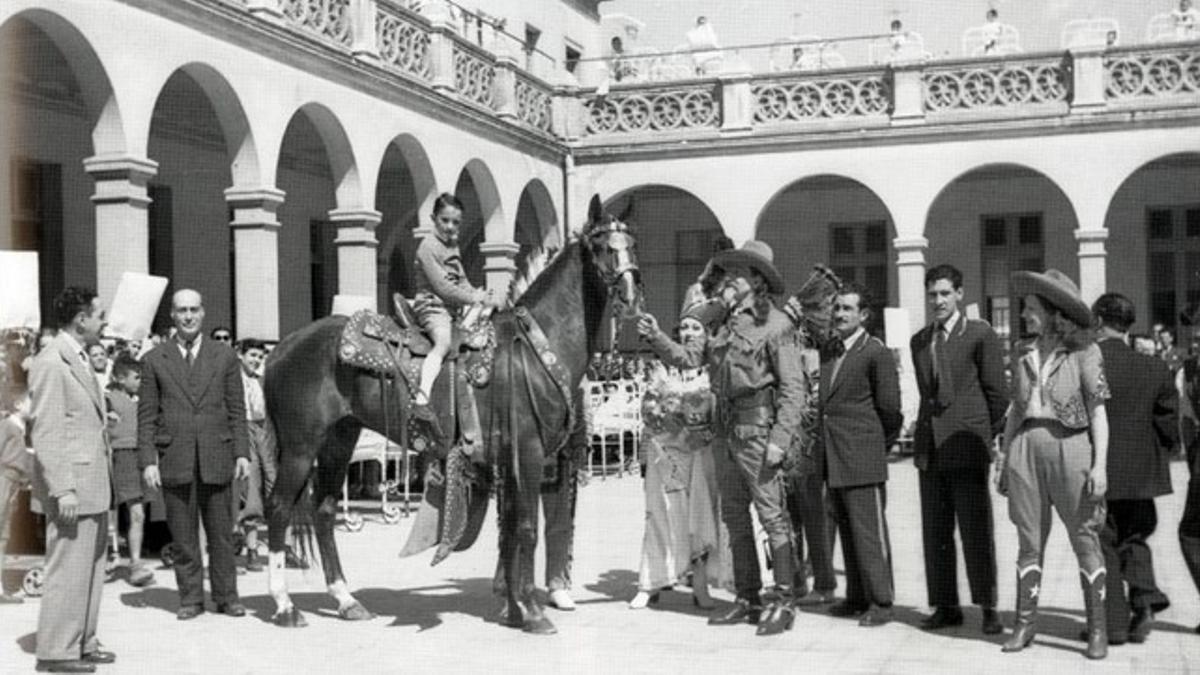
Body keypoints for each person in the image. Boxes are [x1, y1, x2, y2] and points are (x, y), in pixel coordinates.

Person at [638, 240, 808, 636]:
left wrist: (780, 439)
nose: (729, 278)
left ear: (757, 281)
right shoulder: (722, 324)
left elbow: (793, 389)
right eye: (729, 272)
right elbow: (689, 359)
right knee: (733, 518)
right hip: (726, 431)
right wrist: (657, 336)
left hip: (759, 430)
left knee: (772, 516)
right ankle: (747, 598)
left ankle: (783, 600)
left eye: (739, 272)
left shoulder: (776, 323)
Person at [997, 269, 1109, 660]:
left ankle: (1097, 629)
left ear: (1053, 312)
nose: (1025, 315)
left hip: (1071, 445)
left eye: (1031, 308)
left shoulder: (1085, 352)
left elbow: (1098, 412)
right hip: (1026, 444)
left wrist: (1100, 466)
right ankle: (1025, 624)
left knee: (1084, 536)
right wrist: (1005, 455)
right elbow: (1015, 409)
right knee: (1028, 540)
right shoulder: (1022, 351)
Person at [138, 289, 250, 621]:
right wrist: (147, 460)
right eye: (181, 310)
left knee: (222, 536)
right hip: (175, 457)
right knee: (184, 537)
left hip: (217, 454)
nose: (188, 316)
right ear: (172, 315)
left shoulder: (225, 356)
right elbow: (146, 416)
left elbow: (237, 410)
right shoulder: (154, 360)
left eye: (193, 310)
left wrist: (242, 453)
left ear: (203, 313)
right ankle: (190, 598)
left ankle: (227, 596)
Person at [910, 265, 1006, 634]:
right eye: (933, 294)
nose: (938, 301)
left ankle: (988, 605)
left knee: (975, 530)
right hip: (931, 449)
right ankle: (946, 605)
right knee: (935, 532)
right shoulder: (920, 340)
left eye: (945, 294)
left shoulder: (979, 334)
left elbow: (998, 394)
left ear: (960, 294)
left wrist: (981, 433)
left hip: (966, 447)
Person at [28, 286, 115, 673]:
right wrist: (62, 487)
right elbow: (46, 431)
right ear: (82, 320)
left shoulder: (77, 358)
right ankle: (56, 650)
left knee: (92, 570)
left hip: (93, 483)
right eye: (99, 314)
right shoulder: (51, 361)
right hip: (73, 487)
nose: (105, 320)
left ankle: (83, 641)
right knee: (67, 570)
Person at [1090, 293, 1175, 645]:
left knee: (1105, 542)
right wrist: (1156, 454)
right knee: (1134, 537)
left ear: (1098, 321)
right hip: (1141, 473)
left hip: (1100, 469)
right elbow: (1168, 422)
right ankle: (1144, 601)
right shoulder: (1154, 367)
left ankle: (1114, 625)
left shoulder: (1089, 363)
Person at [820, 282, 903, 627]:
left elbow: (890, 409)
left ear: (864, 315)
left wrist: (873, 447)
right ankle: (856, 596)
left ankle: (881, 601)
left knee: (868, 533)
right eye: (837, 308)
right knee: (848, 529)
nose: (839, 314)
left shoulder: (875, 353)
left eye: (847, 309)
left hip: (862, 456)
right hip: (833, 455)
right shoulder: (830, 350)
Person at [630, 303, 720, 610]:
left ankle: (700, 585)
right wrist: (666, 418)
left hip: (700, 454)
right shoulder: (663, 366)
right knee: (659, 515)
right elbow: (649, 407)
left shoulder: (714, 367)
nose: (689, 333)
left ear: (709, 334)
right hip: (664, 452)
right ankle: (650, 582)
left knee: (699, 519)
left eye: (696, 328)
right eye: (684, 328)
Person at [411, 193, 503, 424]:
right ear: (434, 218)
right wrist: (474, 298)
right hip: (432, 307)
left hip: (453, 310)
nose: (450, 226)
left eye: (455, 222)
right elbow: (443, 287)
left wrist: (480, 296)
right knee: (442, 343)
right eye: (445, 220)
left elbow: (460, 281)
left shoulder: (452, 247)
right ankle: (421, 400)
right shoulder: (428, 247)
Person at [105, 355, 154, 587]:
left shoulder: (142, 400)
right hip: (122, 456)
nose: (140, 381)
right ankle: (124, 561)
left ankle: (135, 561)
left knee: (139, 513)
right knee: (126, 512)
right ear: (120, 378)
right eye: (136, 377)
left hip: (141, 457)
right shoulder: (109, 399)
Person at [233, 338, 272, 573]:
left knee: (270, 483)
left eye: (259, 357)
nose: (256, 360)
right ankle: (247, 550)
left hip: (261, 429)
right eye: (252, 355)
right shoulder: (232, 379)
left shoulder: (260, 380)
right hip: (241, 429)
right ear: (240, 354)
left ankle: (263, 547)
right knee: (249, 490)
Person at [0, 390, 34, 604]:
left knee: (3, 534)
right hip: (3, 479)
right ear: (19, 404)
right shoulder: (7, 426)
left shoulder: (21, 431)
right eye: (33, 401)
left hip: (12, 484)